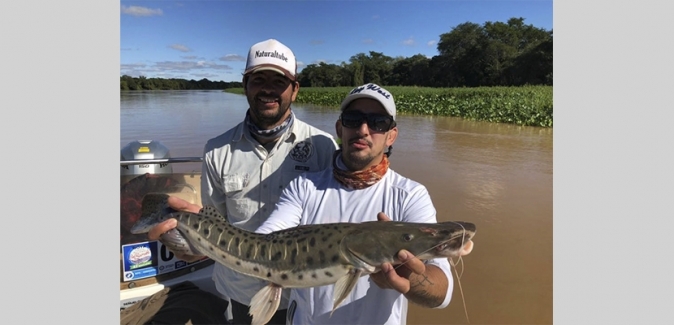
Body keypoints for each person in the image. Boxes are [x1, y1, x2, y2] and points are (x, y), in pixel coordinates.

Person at [143, 38, 339, 324]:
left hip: (304, 294)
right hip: (241, 289)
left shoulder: (323, 146)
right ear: (245, 85)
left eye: (279, 81)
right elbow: (214, 218)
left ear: (295, 89)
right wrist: (190, 245)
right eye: (259, 79)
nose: (268, 89)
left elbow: (335, 219)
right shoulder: (216, 149)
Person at [253, 83, 454, 324]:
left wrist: (408, 279)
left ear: (392, 135)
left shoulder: (410, 195)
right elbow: (266, 236)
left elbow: (442, 292)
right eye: (353, 119)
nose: (363, 129)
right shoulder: (305, 186)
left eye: (378, 122)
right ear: (340, 128)